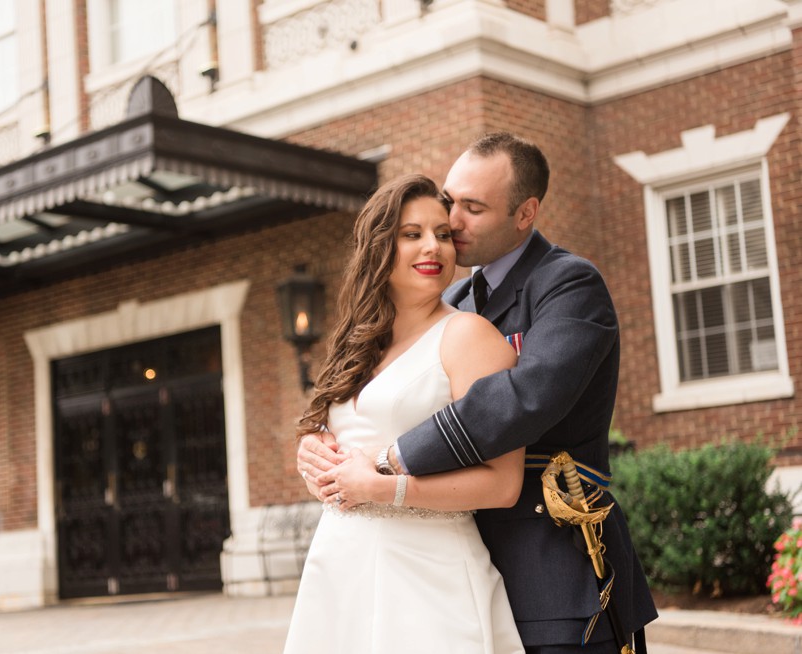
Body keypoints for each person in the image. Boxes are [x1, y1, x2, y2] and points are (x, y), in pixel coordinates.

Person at [297, 133, 658, 654]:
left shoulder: (567, 285)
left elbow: (524, 398)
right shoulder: (451, 298)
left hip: (549, 561)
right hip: (441, 557)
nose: (453, 224)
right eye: (450, 201)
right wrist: (320, 450)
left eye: (472, 207)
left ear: (524, 213)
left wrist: (390, 460)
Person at [282, 173, 526, 654]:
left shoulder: (470, 337)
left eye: (442, 234)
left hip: (427, 576)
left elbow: (503, 485)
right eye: (411, 235)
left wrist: (381, 487)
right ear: (380, 248)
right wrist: (312, 454)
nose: (432, 247)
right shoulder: (357, 342)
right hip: (340, 567)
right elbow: (342, 432)